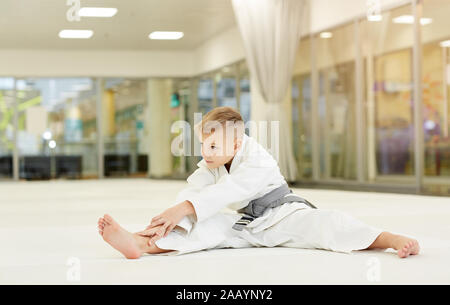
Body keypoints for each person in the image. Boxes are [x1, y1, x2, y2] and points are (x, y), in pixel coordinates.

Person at [97, 106, 420, 259]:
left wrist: (184, 207)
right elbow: (194, 192)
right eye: (202, 146)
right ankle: (140, 243)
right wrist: (165, 218)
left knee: (328, 224)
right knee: (203, 227)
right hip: (246, 225)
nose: (205, 154)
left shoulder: (257, 158)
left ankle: (391, 239)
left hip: (284, 215)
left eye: (213, 146)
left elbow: (233, 190)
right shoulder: (212, 163)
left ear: (236, 144)